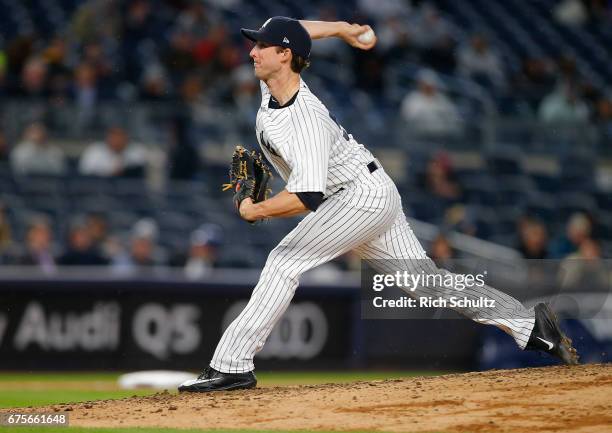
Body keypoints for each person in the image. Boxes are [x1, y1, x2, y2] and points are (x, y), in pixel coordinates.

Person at [178, 17, 578, 393]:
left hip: (356, 197)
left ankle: (232, 364)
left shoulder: (303, 120)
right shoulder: (276, 82)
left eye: (261, 46)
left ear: (284, 55)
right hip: (369, 191)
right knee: (427, 283)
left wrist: (254, 210)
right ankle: (530, 326)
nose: (252, 52)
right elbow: (298, 30)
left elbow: (307, 197)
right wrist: (343, 29)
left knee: (284, 261)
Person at [79, 126, 147, 177]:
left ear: (126, 138)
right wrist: (110, 172)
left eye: (121, 137)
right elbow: (85, 174)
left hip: (128, 191)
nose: (118, 141)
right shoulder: (95, 151)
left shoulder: (136, 151)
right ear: (108, 138)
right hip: (99, 189)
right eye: (114, 137)